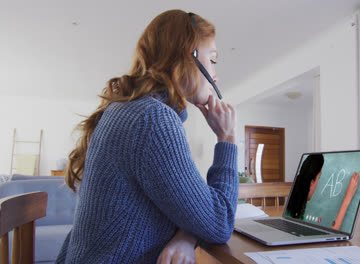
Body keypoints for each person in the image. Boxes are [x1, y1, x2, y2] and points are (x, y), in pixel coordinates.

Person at [56, 9, 238, 264]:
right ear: (189, 56)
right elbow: (220, 222)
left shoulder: (131, 111)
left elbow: (188, 207)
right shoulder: (153, 121)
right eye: (213, 60)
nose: (216, 75)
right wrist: (227, 138)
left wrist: (186, 234)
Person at [285, 154, 359, 230]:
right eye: (318, 178)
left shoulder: (292, 208)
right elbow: (330, 235)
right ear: (311, 183)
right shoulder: (298, 221)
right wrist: (348, 197)